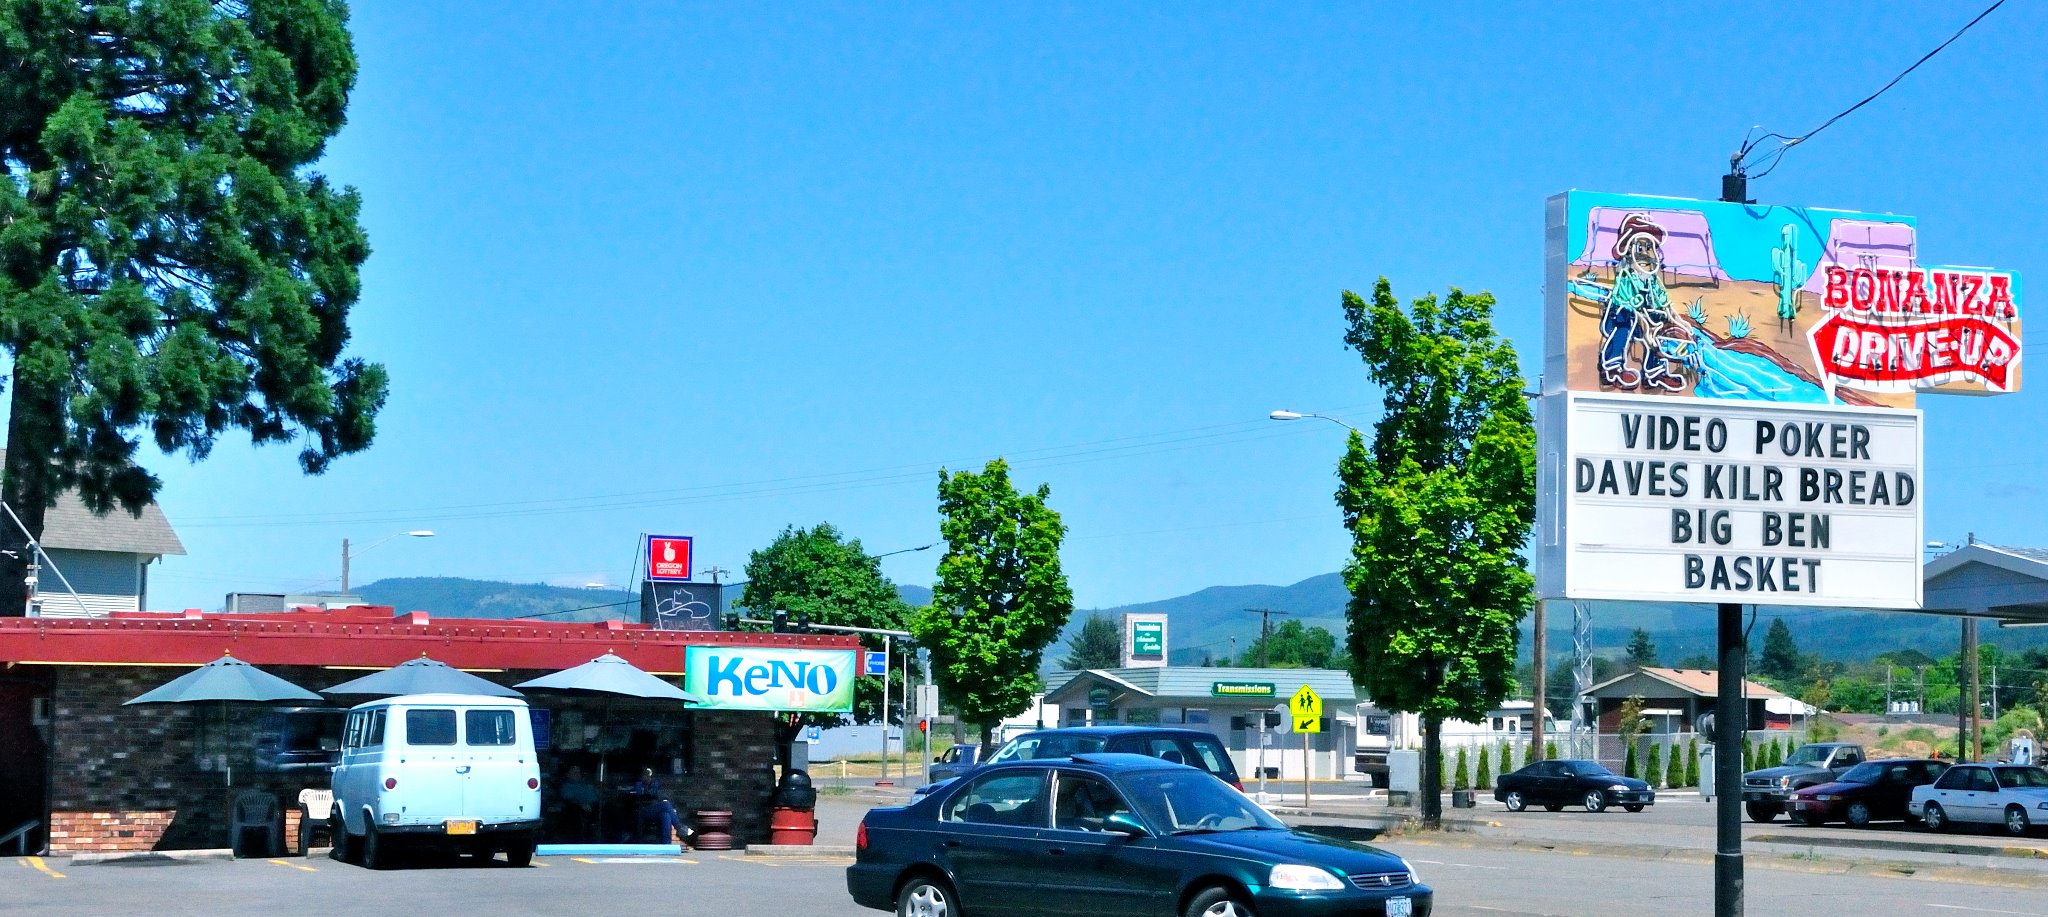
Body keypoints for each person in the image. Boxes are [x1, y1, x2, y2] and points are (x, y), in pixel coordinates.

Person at [626, 767, 681, 844]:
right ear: (642, 776)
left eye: (649, 777)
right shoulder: (638, 784)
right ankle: (679, 827)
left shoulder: (655, 784)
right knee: (666, 805)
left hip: (654, 811)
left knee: (666, 815)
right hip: (642, 811)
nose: (648, 778)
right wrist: (647, 792)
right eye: (646, 776)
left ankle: (666, 844)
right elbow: (642, 795)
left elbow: (657, 794)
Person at [555, 765, 599, 839]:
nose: (578, 774)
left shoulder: (588, 785)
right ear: (568, 775)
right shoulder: (566, 787)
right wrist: (581, 805)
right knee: (573, 810)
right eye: (575, 773)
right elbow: (568, 799)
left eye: (579, 772)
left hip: (595, 808)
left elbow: (597, 797)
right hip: (577, 811)